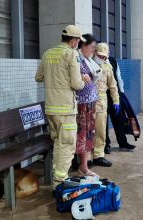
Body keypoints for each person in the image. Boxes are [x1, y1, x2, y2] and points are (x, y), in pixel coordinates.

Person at [35, 25, 91, 189]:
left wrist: (55, 77)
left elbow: (38, 77)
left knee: (58, 143)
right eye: (78, 41)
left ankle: (57, 178)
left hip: (51, 109)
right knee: (66, 145)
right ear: (73, 40)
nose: (78, 44)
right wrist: (83, 79)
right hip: (65, 109)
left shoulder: (48, 53)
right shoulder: (71, 54)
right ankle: (59, 183)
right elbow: (76, 84)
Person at [75, 34, 101, 176]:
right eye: (91, 47)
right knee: (82, 135)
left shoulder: (87, 60)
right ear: (83, 46)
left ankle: (84, 166)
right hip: (81, 105)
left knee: (88, 134)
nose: (93, 50)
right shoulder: (76, 60)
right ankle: (81, 166)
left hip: (90, 103)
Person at [92, 43, 120, 167]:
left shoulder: (108, 68)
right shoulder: (86, 64)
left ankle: (99, 156)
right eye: (100, 56)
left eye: (104, 57)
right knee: (85, 132)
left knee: (100, 131)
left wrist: (116, 101)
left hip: (101, 105)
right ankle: (85, 158)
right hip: (86, 105)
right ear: (94, 52)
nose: (102, 58)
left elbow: (113, 87)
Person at [104, 57, 136, 154]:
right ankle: (106, 145)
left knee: (119, 119)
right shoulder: (96, 62)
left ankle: (123, 142)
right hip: (103, 97)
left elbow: (118, 77)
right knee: (104, 123)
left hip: (115, 96)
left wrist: (121, 93)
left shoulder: (113, 61)